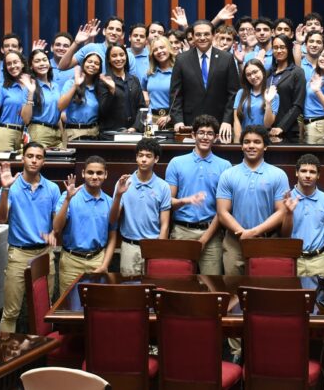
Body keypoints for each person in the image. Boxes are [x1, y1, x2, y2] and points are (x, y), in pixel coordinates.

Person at [216, 125, 289, 362]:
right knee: (233, 297)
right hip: (235, 243)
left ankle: (263, 347)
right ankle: (236, 351)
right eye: (247, 141)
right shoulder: (229, 174)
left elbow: (281, 212)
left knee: (265, 297)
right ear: (241, 145)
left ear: (265, 146)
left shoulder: (278, 175)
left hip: (267, 245)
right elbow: (222, 211)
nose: (251, 146)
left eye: (257, 142)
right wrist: (241, 232)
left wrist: (255, 232)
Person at [0, 142, 60, 332]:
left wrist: (53, 233)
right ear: (23, 158)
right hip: (19, 254)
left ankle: (43, 355)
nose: (34, 160)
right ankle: (6, 358)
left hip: (44, 253)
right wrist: (5, 189)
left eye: (38, 157)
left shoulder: (52, 188)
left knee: (44, 310)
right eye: (30, 156)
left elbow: (57, 222)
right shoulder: (11, 187)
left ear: (44, 161)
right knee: (10, 312)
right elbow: (1, 218)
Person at [165, 114, 230, 274]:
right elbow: (167, 202)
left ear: (215, 137)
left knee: (211, 284)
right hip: (181, 231)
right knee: (179, 283)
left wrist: (204, 239)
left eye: (209, 133)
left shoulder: (225, 166)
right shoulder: (176, 163)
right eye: (201, 132)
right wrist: (185, 201)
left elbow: (223, 210)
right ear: (193, 135)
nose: (205, 137)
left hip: (212, 234)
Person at [53, 157, 118, 296]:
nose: (95, 176)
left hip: (97, 260)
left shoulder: (109, 202)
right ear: (83, 173)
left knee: (96, 306)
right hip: (71, 261)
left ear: (105, 175)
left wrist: (105, 265)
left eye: (99, 173)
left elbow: (113, 237)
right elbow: (57, 229)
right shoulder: (69, 196)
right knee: (69, 307)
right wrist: (67, 200)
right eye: (90, 172)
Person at [169, 20, 240, 143]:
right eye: (198, 34)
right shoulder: (182, 59)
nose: (202, 38)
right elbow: (175, 95)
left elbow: (233, 93)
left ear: (213, 36)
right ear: (193, 36)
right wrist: (178, 121)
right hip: (189, 124)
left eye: (206, 34)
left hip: (220, 125)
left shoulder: (226, 58)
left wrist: (227, 121)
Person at [109, 138, 172, 276]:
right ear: (136, 158)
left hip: (153, 245)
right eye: (140, 155)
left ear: (156, 159)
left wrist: (159, 249)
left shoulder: (163, 186)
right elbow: (113, 219)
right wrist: (118, 195)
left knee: (153, 289)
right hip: (129, 246)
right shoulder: (125, 183)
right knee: (129, 292)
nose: (144, 159)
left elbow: (165, 224)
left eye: (148, 156)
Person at [280, 155, 324, 276]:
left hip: (319, 260)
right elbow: (284, 235)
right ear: (296, 173)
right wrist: (288, 213)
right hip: (293, 258)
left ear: (318, 175)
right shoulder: (286, 198)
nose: (308, 175)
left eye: (312, 172)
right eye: (303, 171)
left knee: (322, 295)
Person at [0, 52, 37, 152]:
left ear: (23, 64)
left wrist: (30, 91)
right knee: (2, 165)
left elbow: (27, 119)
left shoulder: (33, 84)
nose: (12, 66)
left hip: (27, 134)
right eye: (9, 64)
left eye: (15, 62)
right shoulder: (2, 86)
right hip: (5, 132)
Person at [97, 42, 146, 132]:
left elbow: (142, 107)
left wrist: (135, 127)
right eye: (114, 56)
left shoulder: (134, 80)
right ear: (108, 59)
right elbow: (102, 111)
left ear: (126, 57)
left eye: (122, 55)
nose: (119, 58)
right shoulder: (103, 81)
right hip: (111, 133)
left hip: (133, 132)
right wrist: (112, 90)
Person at [56, 53, 103, 142]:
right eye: (90, 62)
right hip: (73, 132)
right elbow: (60, 107)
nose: (92, 65)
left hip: (94, 133)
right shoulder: (70, 83)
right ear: (83, 64)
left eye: (96, 63)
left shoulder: (100, 87)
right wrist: (76, 85)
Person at [267, 34, 305, 142]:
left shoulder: (297, 72)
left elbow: (298, 105)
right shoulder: (268, 73)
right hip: (267, 128)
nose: (279, 50)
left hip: (288, 130)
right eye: (275, 47)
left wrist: (281, 127)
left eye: (282, 47)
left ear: (289, 49)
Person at [300, 46, 324, 143]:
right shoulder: (316, 76)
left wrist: (318, 91)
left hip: (322, 125)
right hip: (309, 124)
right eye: (323, 55)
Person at [27, 48, 63, 148]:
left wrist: (62, 134)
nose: (42, 63)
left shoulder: (56, 86)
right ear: (31, 66)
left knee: (62, 162)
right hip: (39, 132)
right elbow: (26, 118)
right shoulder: (30, 86)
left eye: (44, 60)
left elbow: (57, 113)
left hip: (57, 132)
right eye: (37, 61)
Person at [233, 59, 279, 136]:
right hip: (244, 138)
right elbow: (236, 120)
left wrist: (268, 102)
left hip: (262, 139)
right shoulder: (241, 93)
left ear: (262, 71)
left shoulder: (273, 95)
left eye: (255, 72)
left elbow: (268, 124)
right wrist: (238, 142)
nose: (252, 77)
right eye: (248, 75)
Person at [145, 36, 176, 130]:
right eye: (155, 50)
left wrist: (171, 116)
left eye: (162, 47)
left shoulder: (178, 71)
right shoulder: (149, 73)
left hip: (171, 121)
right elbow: (143, 90)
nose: (159, 51)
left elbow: (185, 100)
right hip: (151, 121)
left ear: (169, 49)